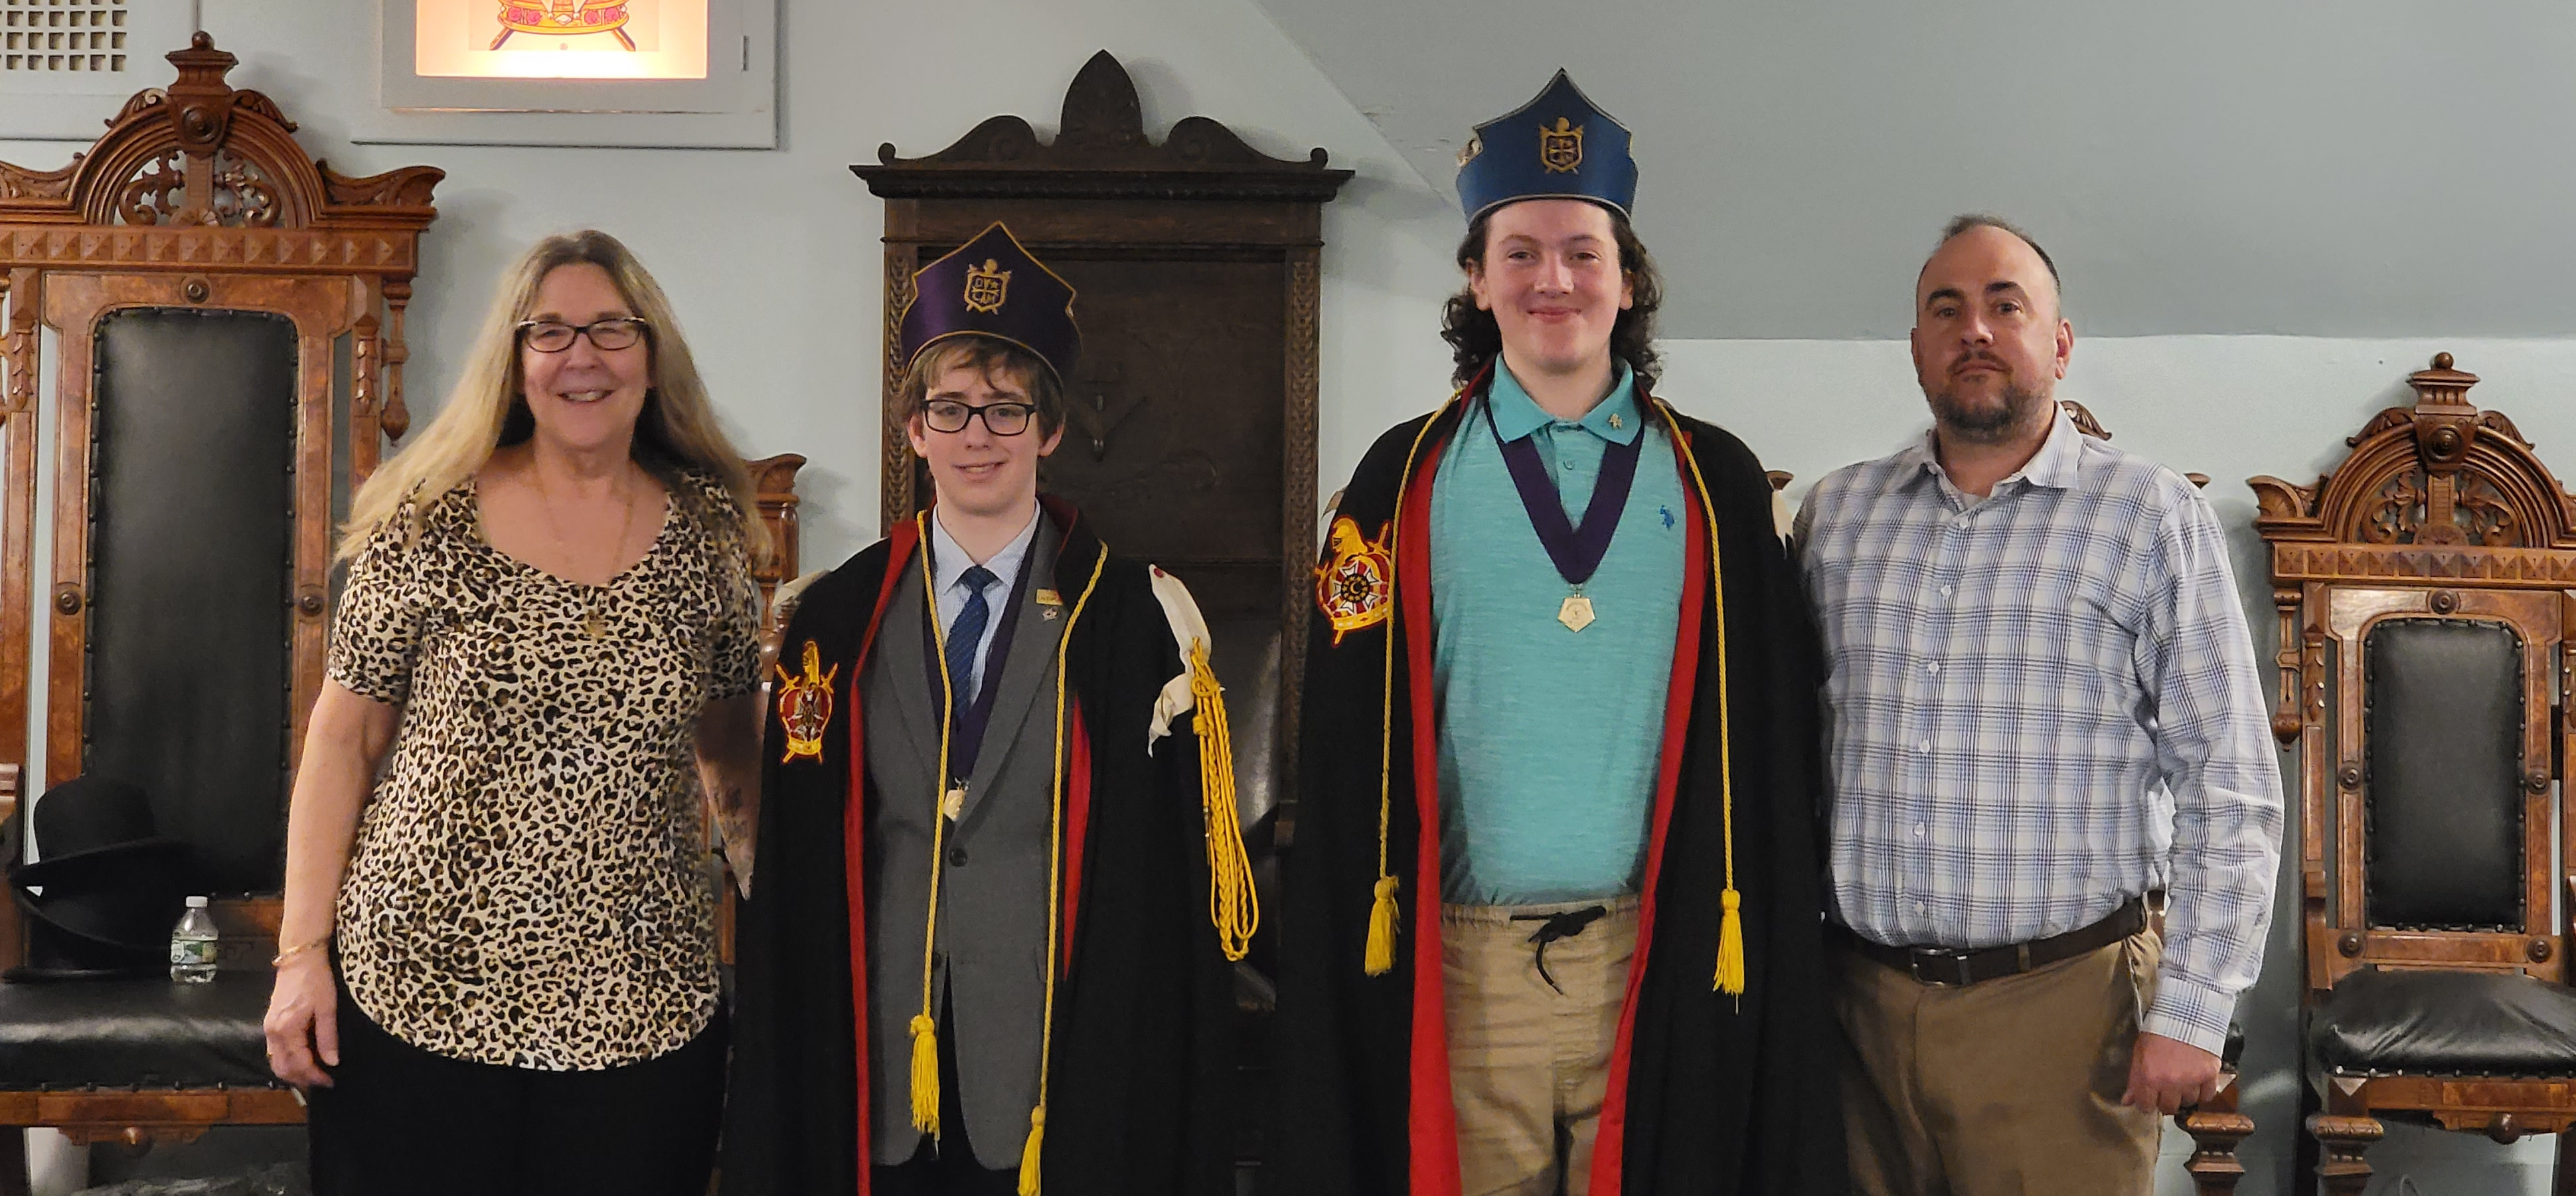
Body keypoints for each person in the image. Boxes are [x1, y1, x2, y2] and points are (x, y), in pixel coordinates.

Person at [1273, 72, 1842, 1195]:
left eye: (1585, 252)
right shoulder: (1401, 479)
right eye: (1521, 252)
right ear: (1477, 279)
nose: (1554, 279)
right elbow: (1340, 750)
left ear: (1628, 280)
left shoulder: (1717, 481)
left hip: (1666, 960)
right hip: (1463, 971)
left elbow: (1775, 746)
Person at [724, 222, 1249, 1196]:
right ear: (914, 429)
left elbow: (1170, 893)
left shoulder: (1133, 621)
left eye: (1007, 411)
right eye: (951, 409)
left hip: (1060, 1052)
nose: (977, 437)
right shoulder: (836, 618)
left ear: (1049, 431)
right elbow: (796, 867)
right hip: (878, 1049)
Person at [263, 230, 771, 1196]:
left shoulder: (709, 533)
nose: (583, 357)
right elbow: (344, 737)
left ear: (651, 354)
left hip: (644, 1002)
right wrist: (301, 955)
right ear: (514, 359)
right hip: (420, 984)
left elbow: (734, 756)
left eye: (611, 329)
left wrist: (782, 933)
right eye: (551, 333)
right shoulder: (426, 517)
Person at [1792, 215, 2285, 1195]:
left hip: (2065, 1015)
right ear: (1917, 349)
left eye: (2005, 305)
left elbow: (2227, 775)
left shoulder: (2148, 516)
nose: (1974, 329)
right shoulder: (1837, 517)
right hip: (1861, 1018)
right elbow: (1797, 750)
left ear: (2059, 344)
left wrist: (2193, 1008)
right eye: (1946, 310)